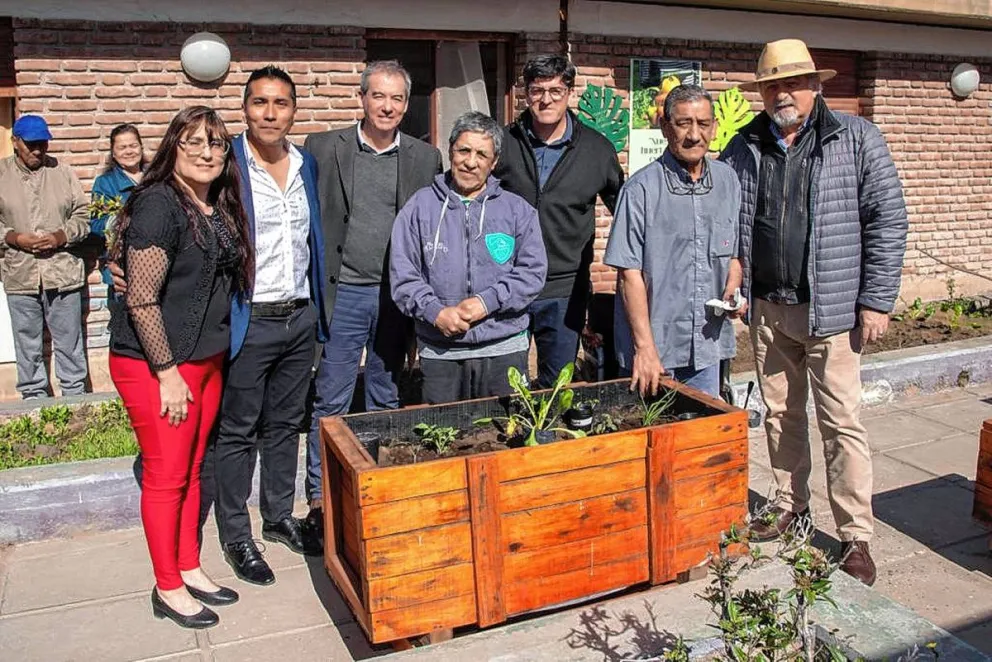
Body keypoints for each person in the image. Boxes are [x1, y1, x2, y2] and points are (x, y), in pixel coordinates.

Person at [719, 39, 908, 586]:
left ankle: (855, 535)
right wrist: (735, 284)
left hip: (833, 310)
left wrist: (876, 299)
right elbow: (730, 220)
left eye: (793, 82)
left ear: (815, 85)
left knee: (841, 423)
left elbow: (887, 221)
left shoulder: (856, 138)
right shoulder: (745, 145)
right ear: (761, 93)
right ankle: (789, 504)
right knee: (780, 415)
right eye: (772, 85)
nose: (783, 93)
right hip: (768, 310)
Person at [108, 106, 253, 628]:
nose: (206, 152)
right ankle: (166, 586)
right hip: (159, 364)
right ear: (173, 146)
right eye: (193, 142)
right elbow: (141, 300)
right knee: (167, 475)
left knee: (194, 468)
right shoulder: (158, 205)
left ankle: (187, 565)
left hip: (206, 357)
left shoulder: (214, 203)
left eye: (215, 143)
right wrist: (167, 372)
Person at [303, 60, 441, 525]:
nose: (387, 106)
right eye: (378, 96)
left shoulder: (425, 159)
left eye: (396, 98)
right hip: (342, 294)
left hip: (394, 297)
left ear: (406, 105)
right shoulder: (323, 148)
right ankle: (322, 496)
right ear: (361, 98)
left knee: (386, 391)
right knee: (332, 396)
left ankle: (384, 484)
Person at [213, 65, 329, 584]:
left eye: (280, 103)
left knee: (285, 425)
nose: (270, 113)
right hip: (249, 318)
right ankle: (237, 533)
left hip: (298, 315)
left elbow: (314, 241)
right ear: (244, 108)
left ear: (293, 111)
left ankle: (279, 516)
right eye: (260, 102)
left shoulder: (305, 164)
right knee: (237, 431)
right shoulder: (226, 164)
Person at [390, 112, 547, 403]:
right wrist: (435, 312)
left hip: (503, 349)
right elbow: (403, 277)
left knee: (504, 438)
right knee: (442, 439)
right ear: (451, 150)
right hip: (440, 351)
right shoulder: (419, 208)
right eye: (463, 150)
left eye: (481, 154)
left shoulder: (517, 211)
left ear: (494, 162)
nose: (470, 162)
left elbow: (532, 274)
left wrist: (486, 302)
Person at [494, 54, 624, 389]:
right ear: (526, 93)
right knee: (507, 384)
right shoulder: (503, 144)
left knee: (556, 385)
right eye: (537, 90)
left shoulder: (597, 150)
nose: (546, 99)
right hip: (507, 284)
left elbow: (624, 212)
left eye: (555, 90)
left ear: (569, 93)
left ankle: (548, 438)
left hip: (565, 288)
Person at [605, 85, 742, 399]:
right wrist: (645, 348)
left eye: (703, 123)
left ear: (715, 127)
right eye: (683, 124)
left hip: (707, 348)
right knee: (651, 439)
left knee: (697, 442)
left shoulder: (727, 182)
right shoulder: (640, 189)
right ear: (666, 127)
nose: (694, 134)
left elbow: (732, 254)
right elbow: (629, 275)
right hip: (656, 353)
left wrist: (733, 288)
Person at [0, 115, 90, 399]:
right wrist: (14, 238)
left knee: (70, 340)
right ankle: (33, 397)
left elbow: (83, 215)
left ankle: (76, 398)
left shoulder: (63, 173)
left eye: (42, 144)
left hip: (62, 272)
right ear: (15, 142)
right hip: (20, 273)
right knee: (27, 342)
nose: (38, 150)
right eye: (31, 145)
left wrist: (61, 236)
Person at [91, 124, 147, 294]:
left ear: (141, 147)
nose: (129, 151)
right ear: (113, 153)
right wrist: (124, 219)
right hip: (123, 268)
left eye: (133, 145)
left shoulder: (157, 177)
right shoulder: (105, 183)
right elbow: (96, 225)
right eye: (122, 147)